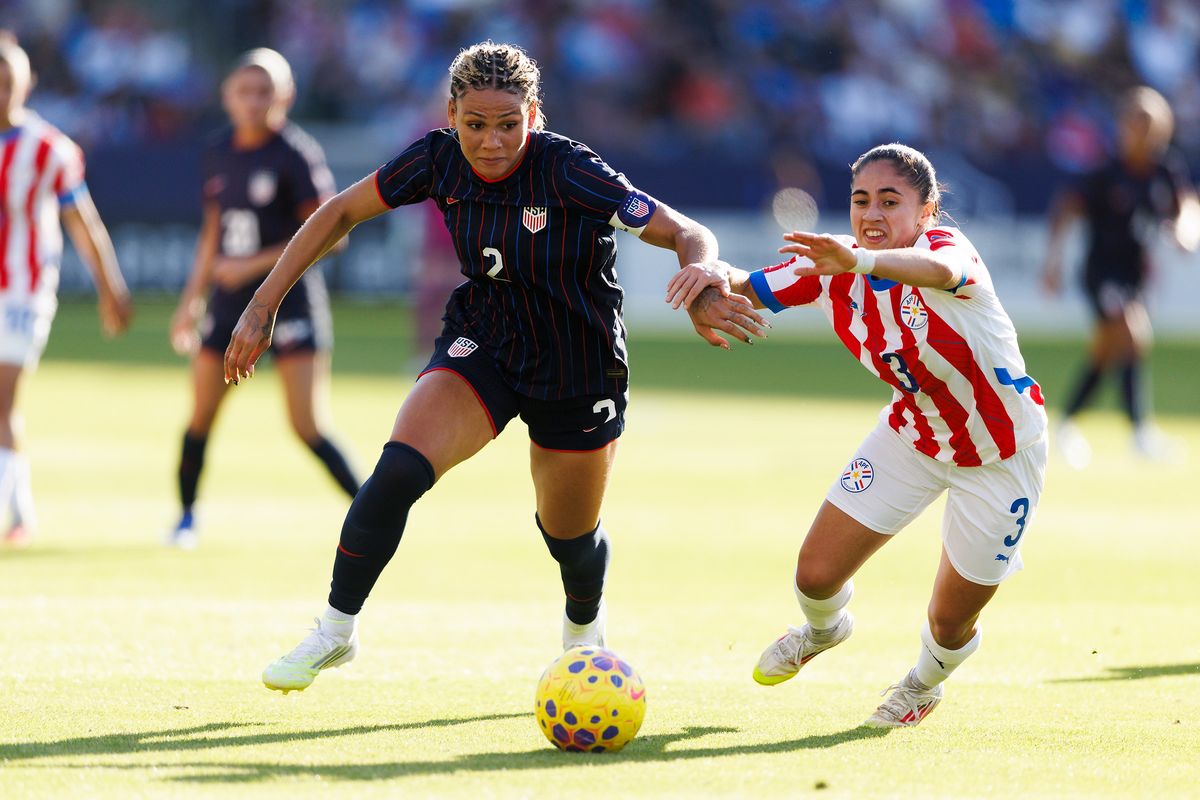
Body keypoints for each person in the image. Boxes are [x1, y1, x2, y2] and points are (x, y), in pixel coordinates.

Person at [222, 41, 764, 693]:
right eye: (475, 123)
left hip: (577, 362)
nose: (491, 140)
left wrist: (702, 278)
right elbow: (338, 211)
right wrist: (263, 305)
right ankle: (335, 630)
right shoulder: (436, 159)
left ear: (532, 115)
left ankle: (583, 634)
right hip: (485, 338)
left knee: (569, 537)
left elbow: (683, 230)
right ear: (452, 115)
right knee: (397, 471)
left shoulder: (569, 169)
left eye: (508, 123)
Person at [667, 143, 1047, 728]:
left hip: (1000, 452)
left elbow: (941, 272)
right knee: (814, 576)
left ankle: (922, 685)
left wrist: (861, 262)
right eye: (860, 200)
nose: (871, 214)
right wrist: (712, 278)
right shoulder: (834, 265)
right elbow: (748, 284)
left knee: (949, 621)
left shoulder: (945, 249)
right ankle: (823, 631)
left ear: (927, 210)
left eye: (890, 202)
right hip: (912, 436)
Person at [167, 48, 359, 549]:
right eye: (244, 91)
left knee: (307, 425)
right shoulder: (217, 152)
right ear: (227, 96)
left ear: (286, 96)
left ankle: (372, 510)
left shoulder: (295, 154)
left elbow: (334, 235)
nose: (254, 101)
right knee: (201, 415)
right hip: (229, 304)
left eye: (264, 91)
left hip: (290, 303)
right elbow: (212, 234)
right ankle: (185, 519)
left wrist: (252, 265)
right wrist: (191, 301)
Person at [0, 39, 132, 547]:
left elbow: (84, 222)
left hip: (24, 290)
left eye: (8, 82)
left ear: (27, 84)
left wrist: (110, 286)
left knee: (3, 397)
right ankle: (22, 512)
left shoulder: (48, 149)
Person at [1042, 86, 1199, 468]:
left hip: (1135, 274)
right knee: (1132, 333)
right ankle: (1140, 432)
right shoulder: (1106, 173)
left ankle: (1065, 425)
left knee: (1107, 350)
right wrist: (1053, 261)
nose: (1143, 135)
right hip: (1102, 272)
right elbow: (1066, 208)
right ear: (1123, 127)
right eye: (1136, 125)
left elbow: (1186, 206)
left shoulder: (1165, 170)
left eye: (1151, 128)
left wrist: (1185, 230)